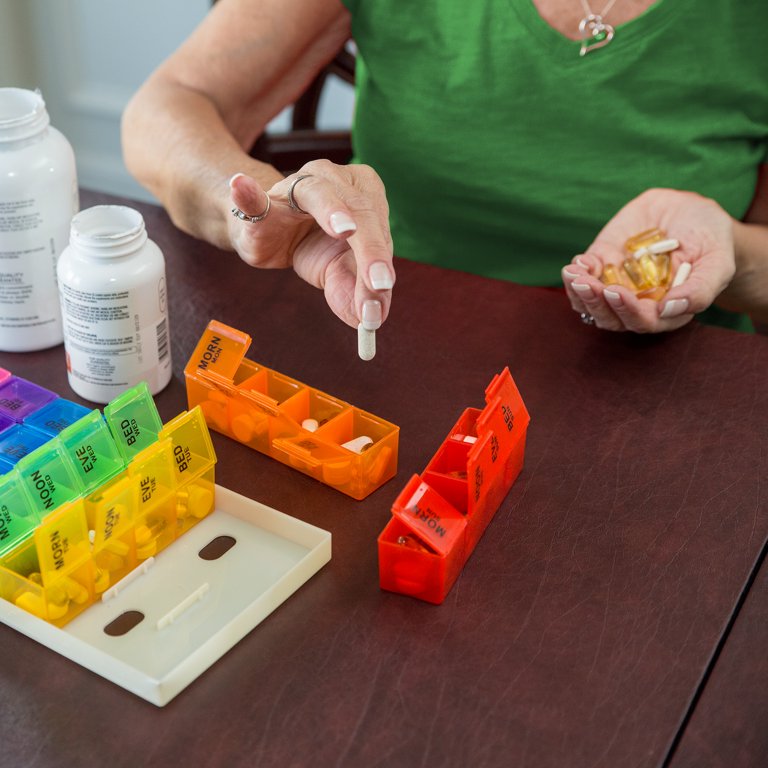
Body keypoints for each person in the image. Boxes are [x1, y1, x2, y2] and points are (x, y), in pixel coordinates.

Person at [121, 0, 768, 336]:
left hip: (678, 385)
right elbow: (165, 108)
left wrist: (735, 259)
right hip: (409, 341)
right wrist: (256, 206)